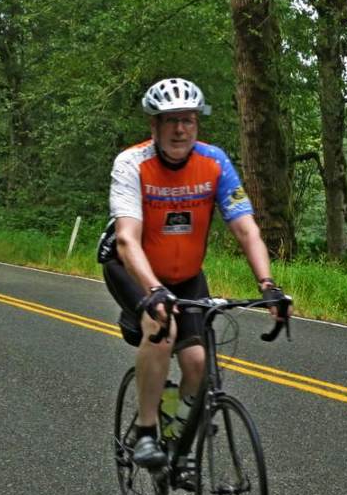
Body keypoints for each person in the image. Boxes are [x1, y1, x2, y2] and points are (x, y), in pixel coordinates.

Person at [101, 77, 288, 469]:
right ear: (154, 126)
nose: (179, 129)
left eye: (187, 120)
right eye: (170, 120)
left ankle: (175, 431)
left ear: (197, 124)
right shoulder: (132, 163)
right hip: (131, 268)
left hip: (185, 273)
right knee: (161, 327)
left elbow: (245, 227)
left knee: (199, 363)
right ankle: (147, 431)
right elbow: (127, 239)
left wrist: (267, 285)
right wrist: (152, 291)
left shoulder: (215, 162)